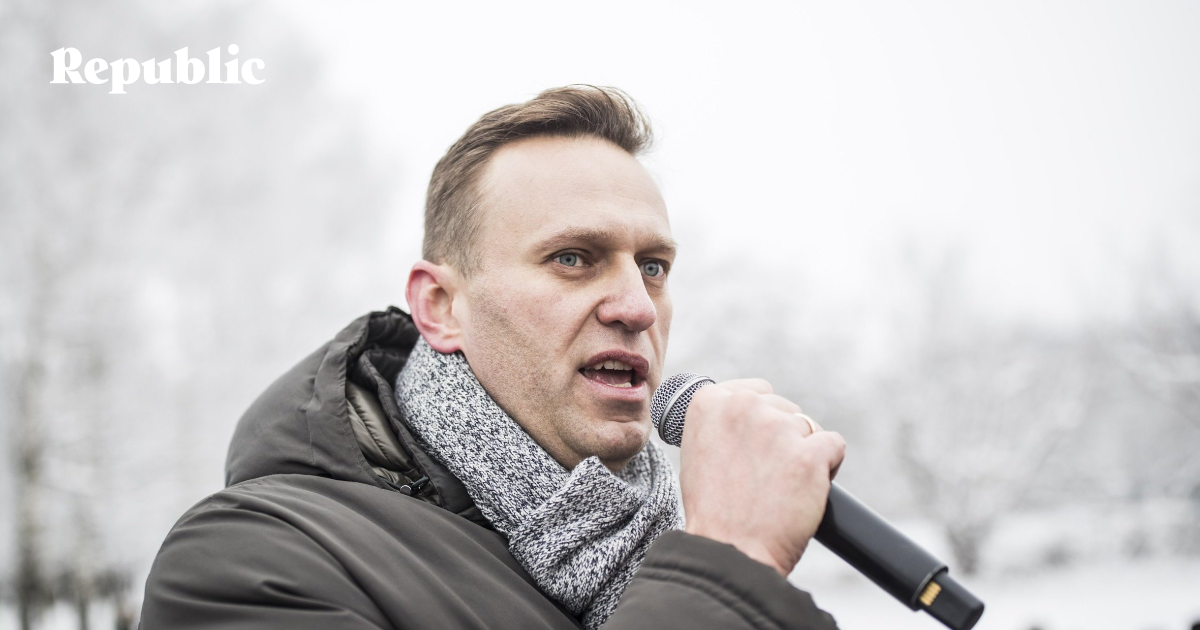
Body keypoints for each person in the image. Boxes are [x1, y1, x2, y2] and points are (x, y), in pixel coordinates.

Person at [140, 85, 847, 629]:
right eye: (573, 258)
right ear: (441, 307)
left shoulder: (667, 557)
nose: (637, 306)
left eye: (654, 267)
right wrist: (729, 567)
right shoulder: (250, 559)